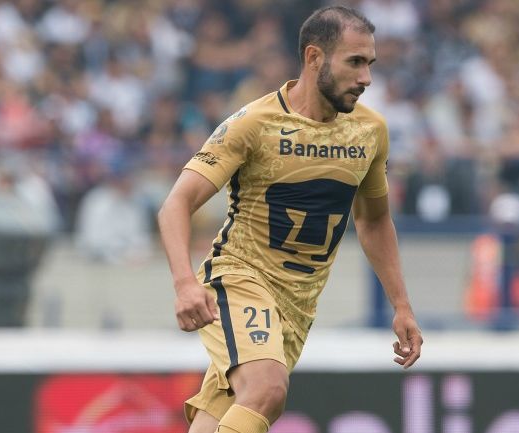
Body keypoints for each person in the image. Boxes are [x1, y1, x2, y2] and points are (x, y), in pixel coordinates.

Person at [157, 6, 423, 433]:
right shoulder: (253, 124)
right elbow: (176, 203)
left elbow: (373, 221)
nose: (366, 78)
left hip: (297, 306)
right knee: (267, 388)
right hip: (240, 277)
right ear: (314, 57)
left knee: (222, 418)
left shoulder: (370, 131)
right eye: (354, 62)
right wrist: (184, 283)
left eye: (370, 64)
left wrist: (402, 305)